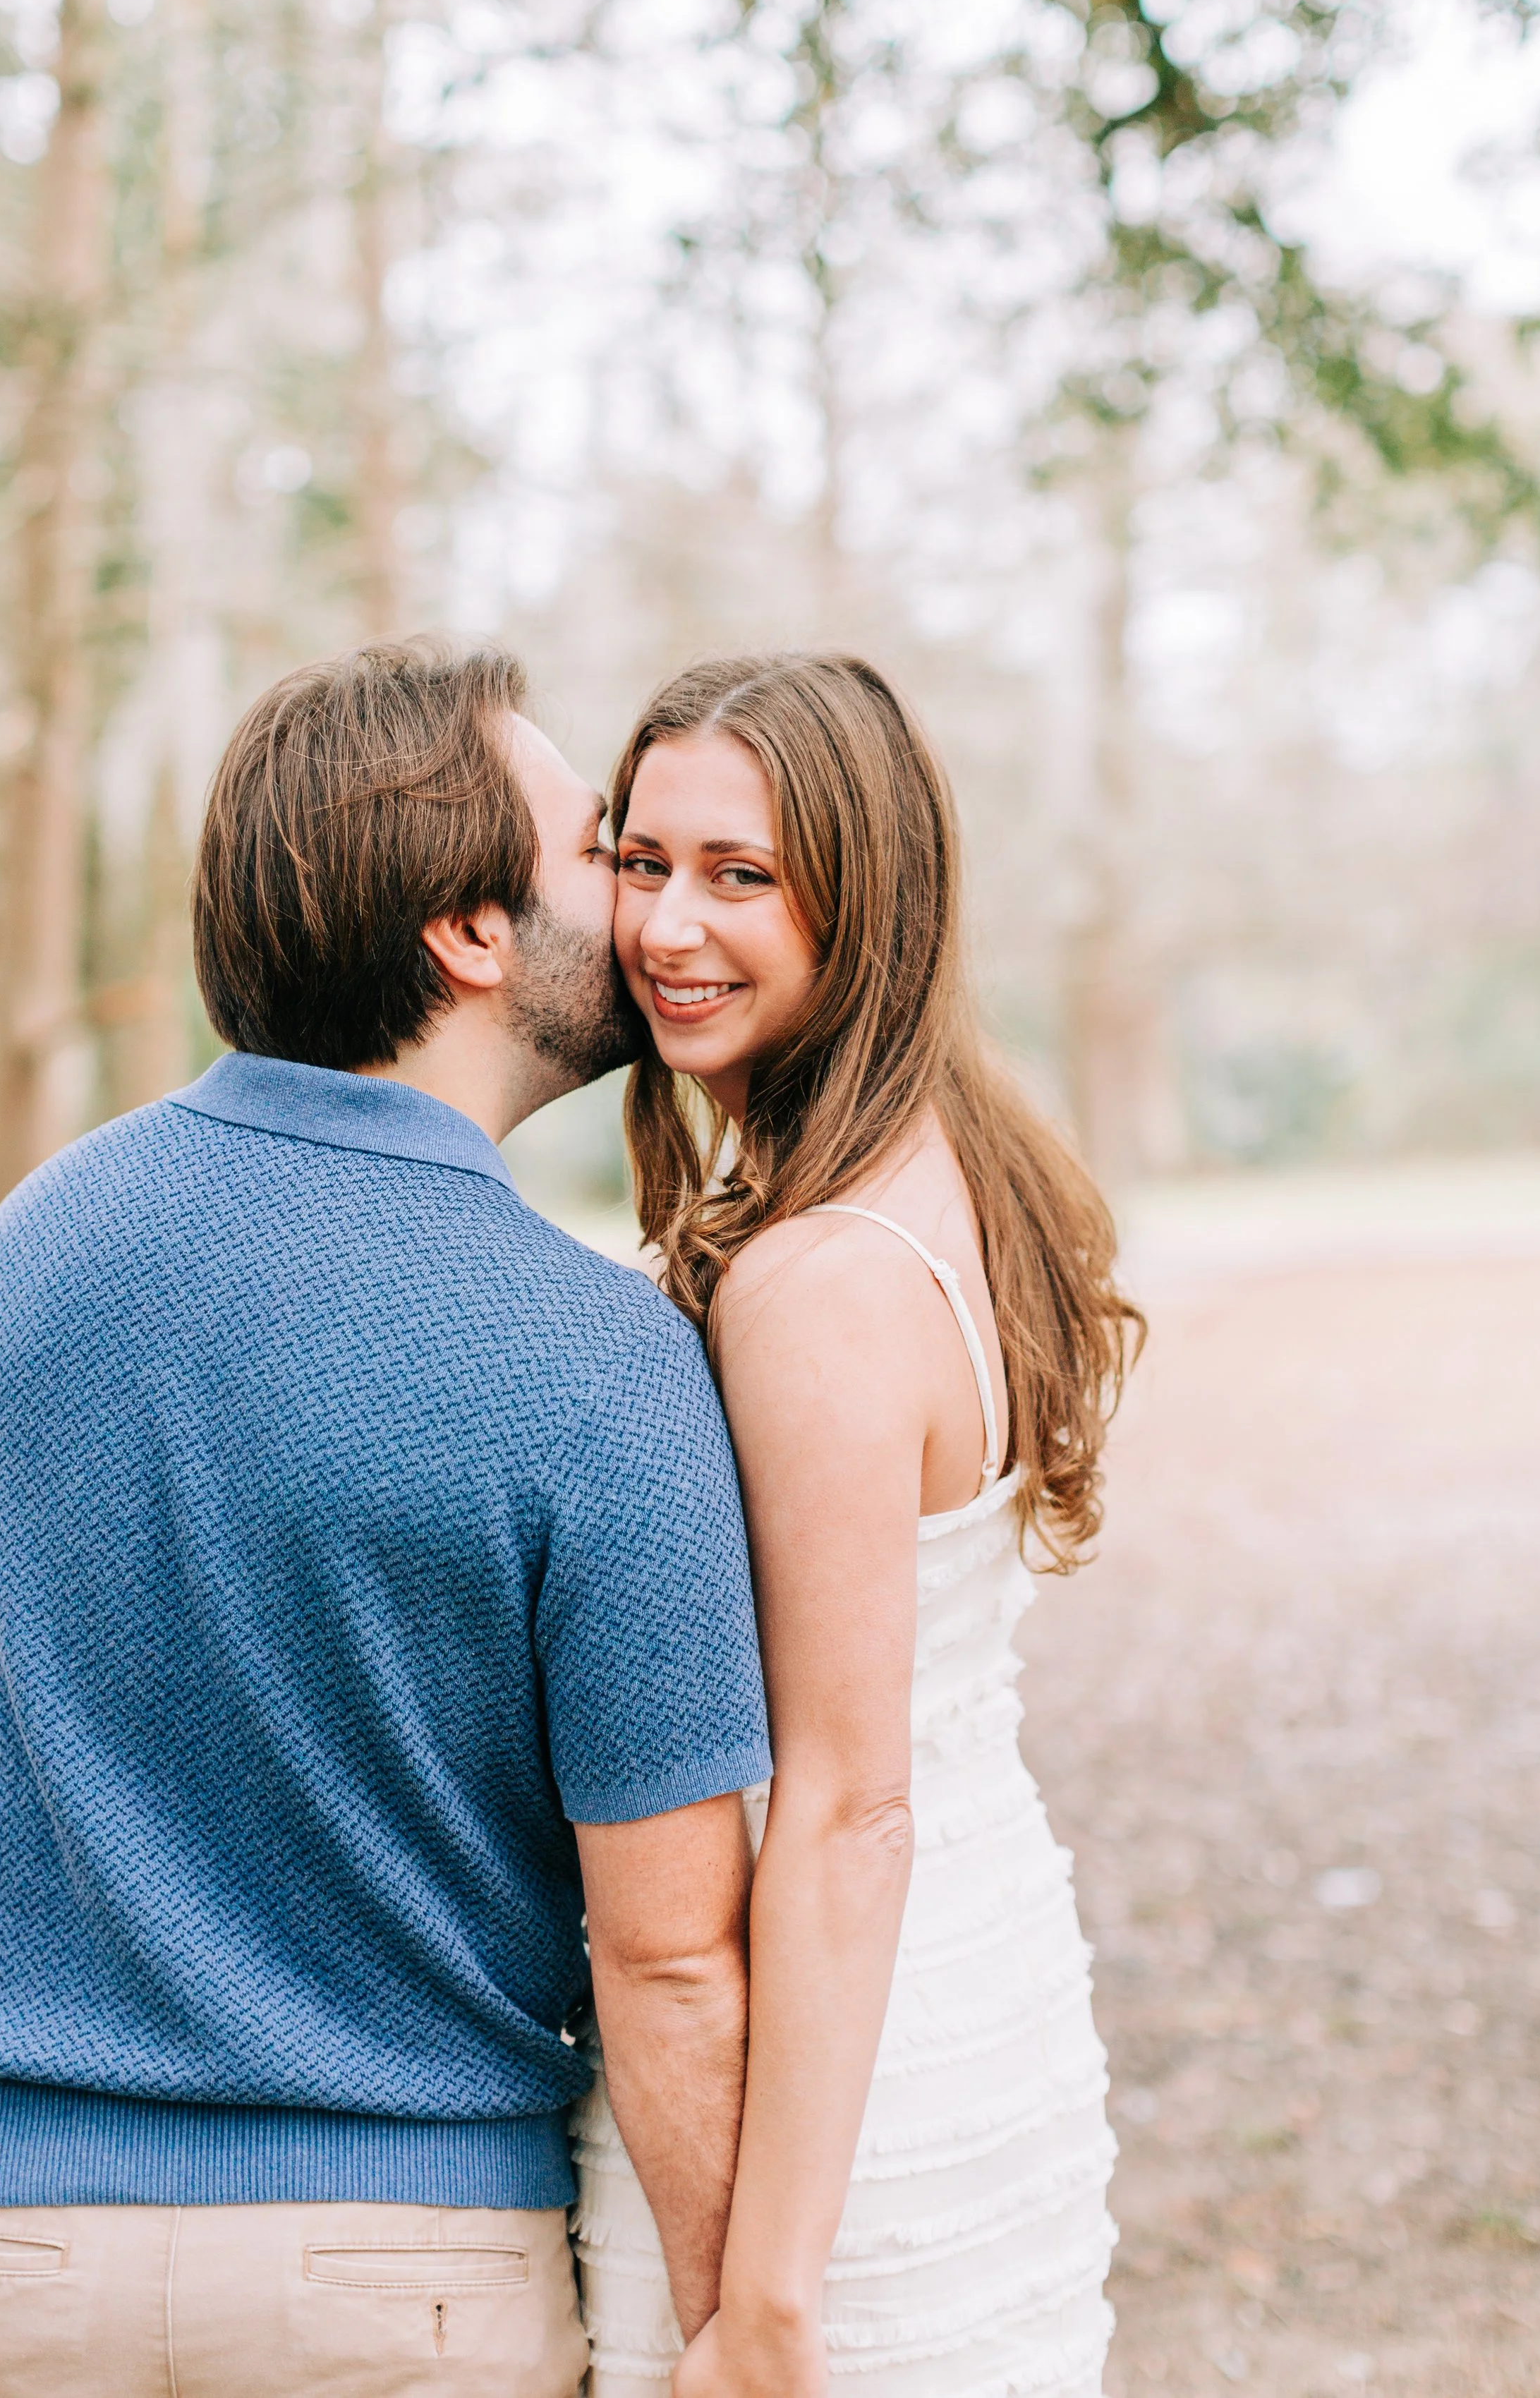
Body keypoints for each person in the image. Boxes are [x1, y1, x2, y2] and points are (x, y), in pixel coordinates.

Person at [0, 645, 772, 2398]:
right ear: (468, 933)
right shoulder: (600, 1357)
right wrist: (737, 2327)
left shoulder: (21, 1256)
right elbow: (666, 1950)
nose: (646, 903)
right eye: (599, 850)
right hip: (395, 2269)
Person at [571, 653, 1144, 2397]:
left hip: (839, 2095)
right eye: (638, 859)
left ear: (866, 904)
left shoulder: (816, 1283)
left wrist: (769, 2303)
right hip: (962, 1983)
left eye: (738, 876)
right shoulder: (938, 1171)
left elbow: (843, 1803)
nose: (667, 924)